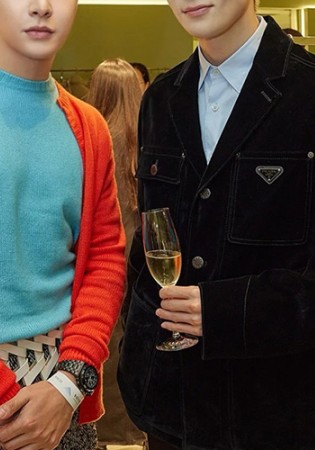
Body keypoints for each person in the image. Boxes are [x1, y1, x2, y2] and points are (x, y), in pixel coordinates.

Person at [118, 1, 315, 449]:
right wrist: (135, 352)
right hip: (172, 414)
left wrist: (234, 310)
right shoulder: (161, 99)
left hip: (282, 418)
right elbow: (150, 242)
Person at [0, 2, 126, 450]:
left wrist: (70, 382)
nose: (41, 7)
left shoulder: (89, 127)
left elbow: (105, 257)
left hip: (63, 390)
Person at [86, 58, 145, 446]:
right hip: (145, 267)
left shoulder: (91, 140)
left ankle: (106, 431)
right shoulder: (150, 140)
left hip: (100, 266)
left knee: (103, 348)